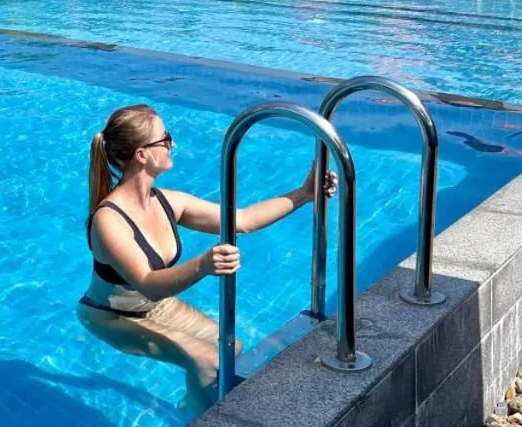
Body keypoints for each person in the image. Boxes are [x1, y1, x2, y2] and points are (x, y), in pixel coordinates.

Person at [78, 103, 336, 408]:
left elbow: (241, 219)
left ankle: (191, 404)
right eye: (165, 138)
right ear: (142, 155)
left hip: (157, 306)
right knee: (209, 361)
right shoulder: (110, 220)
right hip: (112, 317)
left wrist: (305, 194)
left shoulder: (168, 202)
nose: (172, 144)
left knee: (231, 348)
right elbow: (147, 282)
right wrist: (202, 265)